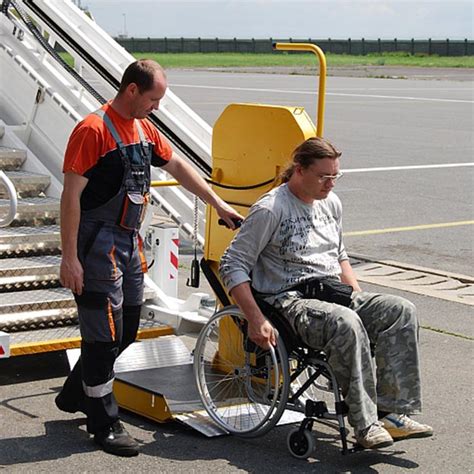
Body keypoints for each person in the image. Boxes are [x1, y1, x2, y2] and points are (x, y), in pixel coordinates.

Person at [56, 59, 242, 457]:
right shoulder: (92, 131)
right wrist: (69, 258)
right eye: (154, 99)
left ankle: (77, 392)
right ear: (132, 90)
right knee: (103, 336)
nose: (157, 106)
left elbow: (177, 165)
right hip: (95, 245)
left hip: (127, 241)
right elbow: (71, 198)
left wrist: (217, 204)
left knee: (128, 329)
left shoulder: (143, 128)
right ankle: (104, 422)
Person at [219, 137, 433, 450]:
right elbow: (232, 265)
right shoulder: (270, 209)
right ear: (299, 170)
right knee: (345, 321)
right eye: (323, 176)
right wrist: (255, 319)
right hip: (289, 301)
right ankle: (365, 424)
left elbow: (340, 256)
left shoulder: (330, 204)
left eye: (335, 176)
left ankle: (393, 413)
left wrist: (358, 296)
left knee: (400, 310)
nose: (330, 183)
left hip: (332, 291)